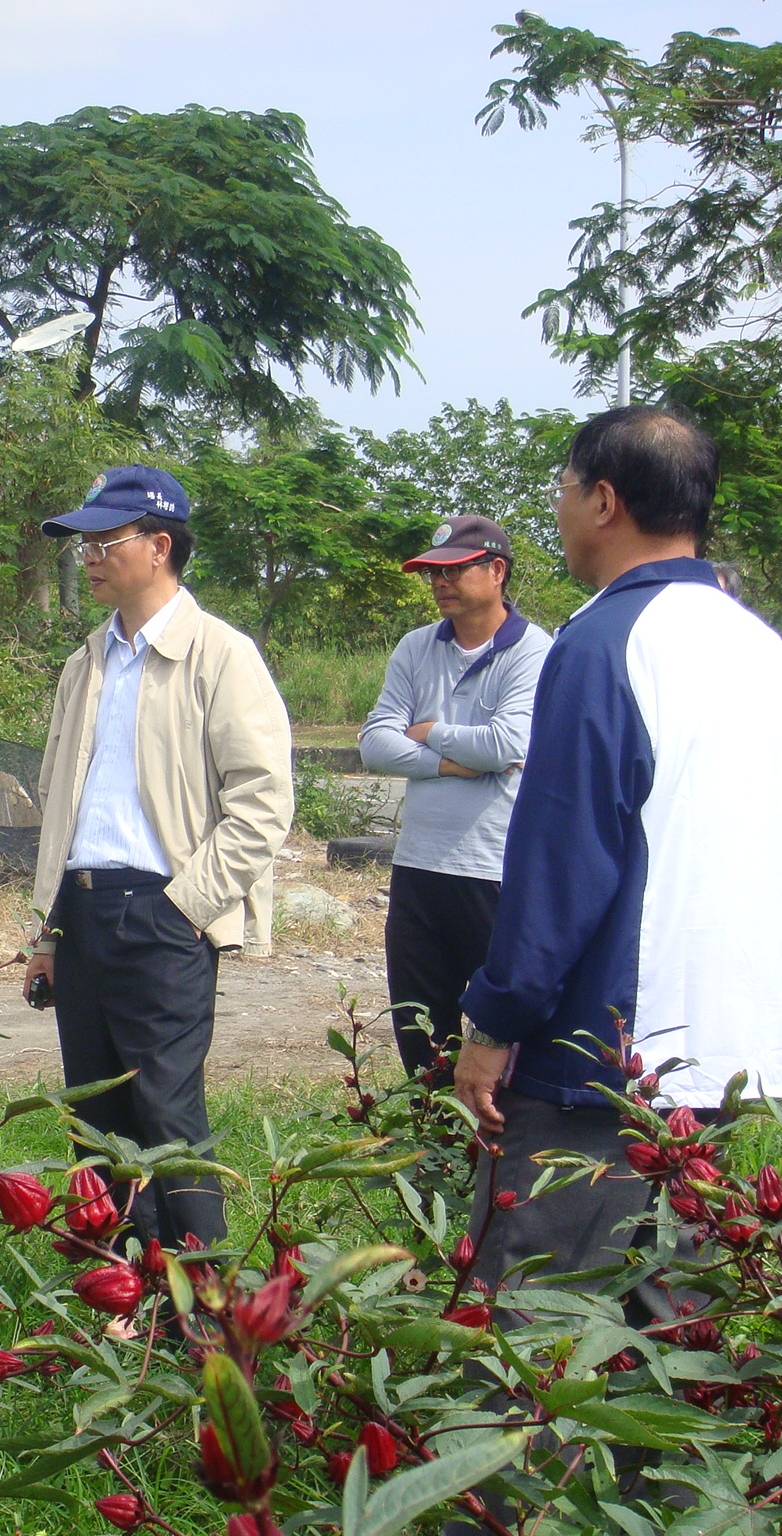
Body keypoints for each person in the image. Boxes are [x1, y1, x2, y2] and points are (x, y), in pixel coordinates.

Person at [456, 405, 782, 1314]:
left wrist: (492, 1025)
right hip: (726, 1060)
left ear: (604, 500)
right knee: (674, 1334)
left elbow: (562, 866)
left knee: (537, 1330)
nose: (558, 508)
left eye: (563, 488)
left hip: (602, 1064)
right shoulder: (761, 649)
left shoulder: (602, 647)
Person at [22, 466, 292, 1252]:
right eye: (85, 545)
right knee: (94, 1115)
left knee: (166, 1114)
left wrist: (185, 905)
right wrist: (48, 930)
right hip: (82, 910)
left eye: (105, 541)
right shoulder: (87, 661)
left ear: (160, 545)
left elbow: (263, 800)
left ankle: (204, 1300)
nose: (90, 558)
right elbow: (64, 806)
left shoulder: (219, 655)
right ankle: (123, 1296)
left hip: (165, 910)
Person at [360, 515, 552, 1078]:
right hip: (419, 864)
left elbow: (506, 743)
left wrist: (425, 731)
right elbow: (373, 744)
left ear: (496, 571)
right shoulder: (417, 647)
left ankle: (499, 1155)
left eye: (454, 569)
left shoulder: (533, 650)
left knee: (503, 1033)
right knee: (420, 1027)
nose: (440, 582)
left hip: (492, 867)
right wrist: (448, 761)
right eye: (432, 572)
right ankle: (431, 1147)